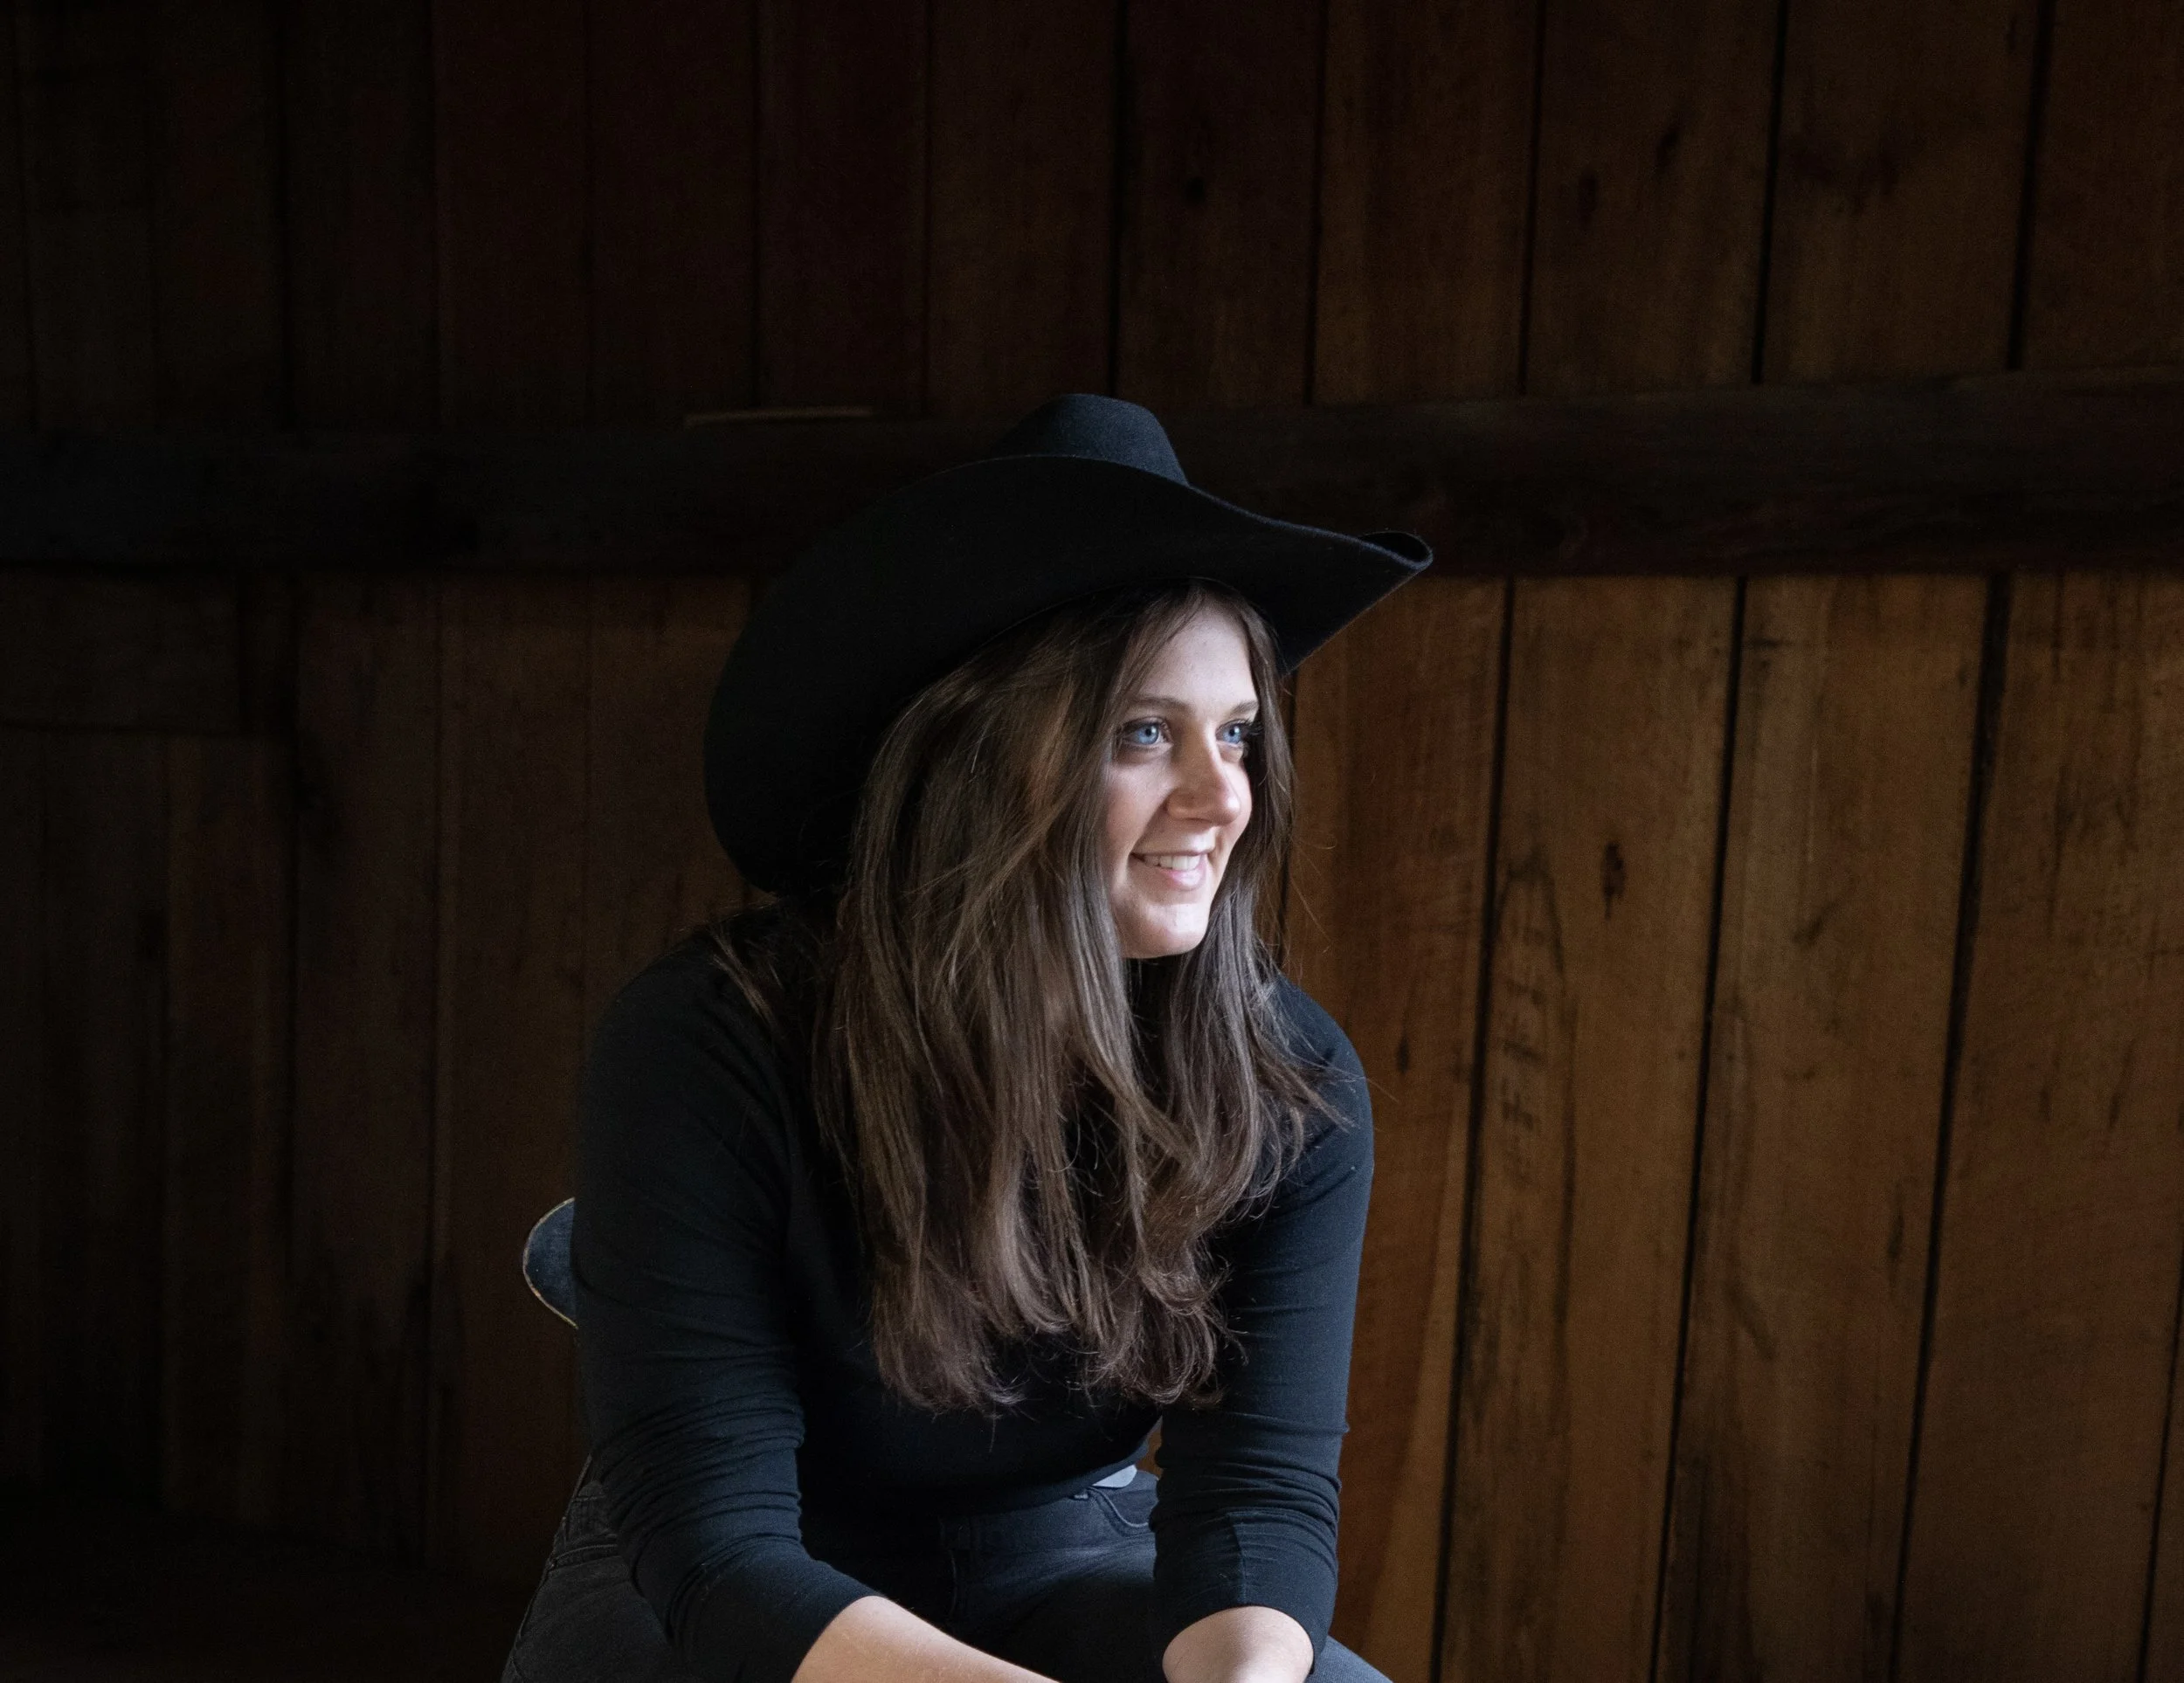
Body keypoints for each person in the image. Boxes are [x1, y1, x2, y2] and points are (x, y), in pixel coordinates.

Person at [501, 395, 1430, 1683]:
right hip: (729, 1594)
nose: (1225, 799)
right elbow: (716, 1547)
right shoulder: (712, 1038)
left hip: (1063, 1552)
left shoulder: (1289, 1080)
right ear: (990, 759)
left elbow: (1255, 1505)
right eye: (1146, 732)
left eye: (1238, 734)